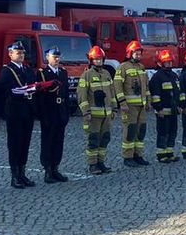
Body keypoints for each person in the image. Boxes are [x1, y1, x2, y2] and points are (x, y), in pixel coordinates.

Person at [0, 40, 37, 187]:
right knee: (15, 144)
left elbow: (33, 84)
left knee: (25, 143)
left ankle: (22, 173)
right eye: (18, 53)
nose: (21, 55)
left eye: (22, 53)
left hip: (27, 111)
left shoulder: (27, 69)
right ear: (10, 54)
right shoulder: (7, 70)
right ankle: (15, 176)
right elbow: (6, 90)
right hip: (14, 111)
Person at [34, 46, 70, 183]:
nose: (57, 59)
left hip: (60, 110)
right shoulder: (42, 73)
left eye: (58, 57)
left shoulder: (63, 73)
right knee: (48, 141)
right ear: (47, 57)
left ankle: (55, 167)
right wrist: (42, 114)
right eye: (54, 57)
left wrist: (66, 112)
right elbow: (40, 97)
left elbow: (65, 93)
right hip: (49, 111)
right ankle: (47, 169)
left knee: (58, 141)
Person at [77, 46, 114, 174]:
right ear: (92, 60)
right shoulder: (86, 75)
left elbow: (112, 93)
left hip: (107, 115)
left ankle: (101, 162)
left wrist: (114, 109)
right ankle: (92, 164)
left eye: (100, 59)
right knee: (93, 140)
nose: (99, 62)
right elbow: (82, 96)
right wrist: (86, 112)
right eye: (96, 59)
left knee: (105, 139)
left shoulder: (107, 74)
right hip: (93, 116)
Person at [114, 39, 151, 167]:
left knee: (141, 130)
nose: (138, 56)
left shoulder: (141, 67)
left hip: (141, 105)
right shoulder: (123, 67)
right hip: (129, 106)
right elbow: (117, 86)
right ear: (130, 53)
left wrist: (148, 101)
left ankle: (138, 155)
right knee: (130, 131)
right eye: (136, 53)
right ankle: (127, 157)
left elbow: (146, 86)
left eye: (140, 53)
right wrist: (122, 102)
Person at [149, 49, 180, 162]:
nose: (169, 64)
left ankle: (169, 152)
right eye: (167, 62)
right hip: (163, 110)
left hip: (173, 110)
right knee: (163, 132)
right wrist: (158, 108)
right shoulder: (157, 77)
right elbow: (155, 94)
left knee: (173, 131)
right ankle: (161, 154)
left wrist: (179, 105)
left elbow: (177, 92)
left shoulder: (173, 75)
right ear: (161, 63)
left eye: (170, 62)